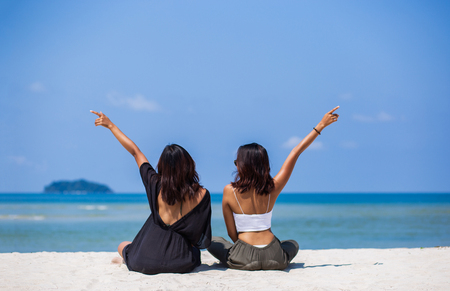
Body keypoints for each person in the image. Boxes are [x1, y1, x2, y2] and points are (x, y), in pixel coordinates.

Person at [207, 106, 340, 270]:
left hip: (245, 257)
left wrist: (245, 250)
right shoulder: (274, 186)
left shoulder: (229, 190)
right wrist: (320, 125)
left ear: (242, 165)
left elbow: (232, 233)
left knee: (213, 241)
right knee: (292, 244)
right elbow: (295, 152)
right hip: (274, 256)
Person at [90, 110, 211, 275]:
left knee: (123, 245)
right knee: (195, 253)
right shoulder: (202, 194)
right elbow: (198, 236)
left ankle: (126, 259)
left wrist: (111, 125)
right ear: (189, 164)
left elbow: (135, 152)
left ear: (163, 166)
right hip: (180, 262)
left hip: (145, 261)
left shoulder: (156, 184)